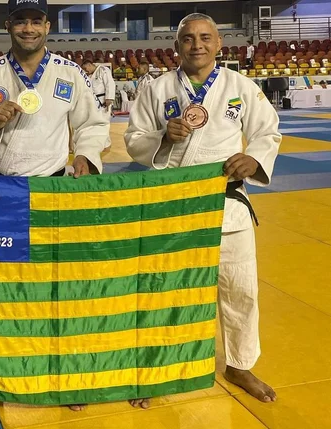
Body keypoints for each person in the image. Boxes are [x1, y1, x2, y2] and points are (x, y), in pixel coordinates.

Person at [0, 0, 109, 414]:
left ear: (47, 25)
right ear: (9, 26)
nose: (29, 28)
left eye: (36, 21)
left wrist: (85, 157)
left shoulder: (70, 74)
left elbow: (93, 124)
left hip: (53, 190)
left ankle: (65, 376)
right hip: (0, 193)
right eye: (21, 21)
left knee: (59, 289)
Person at [124, 13, 281, 409]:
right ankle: (161, 366)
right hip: (173, 204)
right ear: (176, 46)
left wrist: (254, 158)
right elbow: (134, 140)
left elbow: (268, 130)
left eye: (205, 37)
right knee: (166, 291)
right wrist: (162, 137)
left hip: (227, 202)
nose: (197, 44)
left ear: (219, 44)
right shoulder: (156, 88)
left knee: (240, 289)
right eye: (188, 38)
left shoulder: (239, 85)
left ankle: (240, 364)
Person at [81, 59, 115, 148]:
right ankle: (97, 142)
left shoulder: (103, 70)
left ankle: (106, 143)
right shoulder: (89, 75)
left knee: (104, 122)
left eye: (86, 68)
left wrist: (109, 98)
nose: (86, 70)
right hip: (93, 101)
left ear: (89, 64)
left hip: (103, 100)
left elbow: (110, 84)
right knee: (95, 122)